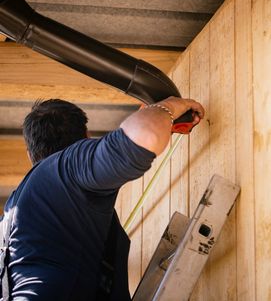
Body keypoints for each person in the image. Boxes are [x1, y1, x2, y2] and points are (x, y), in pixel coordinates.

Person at [1, 96, 205, 301]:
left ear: (30, 154)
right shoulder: (67, 166)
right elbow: (146, 134)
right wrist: (166, 109)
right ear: (86, 137)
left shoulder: (11, 220)